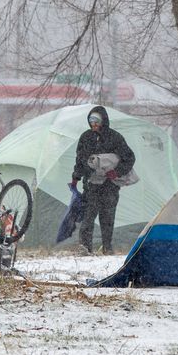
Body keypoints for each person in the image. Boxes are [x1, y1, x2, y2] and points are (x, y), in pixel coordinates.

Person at [70, 105, 135, 254]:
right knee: (88, 217)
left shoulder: (115, 138)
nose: (93, 124)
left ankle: (107, 247)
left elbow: (129, 158)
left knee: (107, 218)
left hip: (110, 185)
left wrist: (116, 172)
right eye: (91, 120)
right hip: (91, 184)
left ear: (103, 121)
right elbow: (80, 159)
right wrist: (76, 177)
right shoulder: (85, 137)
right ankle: (85, 248)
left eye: (96, 120)